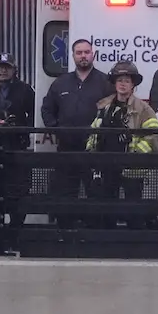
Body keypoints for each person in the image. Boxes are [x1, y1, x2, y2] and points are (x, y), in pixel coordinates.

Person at [87, 60, 158, 225]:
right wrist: (92, 152)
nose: (123, 84)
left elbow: (154, 137)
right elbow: (94, 131)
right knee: (107, 207)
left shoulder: (143, 109)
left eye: (127, 81)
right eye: (119, 80)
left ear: (133, 84)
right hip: (107, 165)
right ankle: (107, 243)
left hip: (131, 169)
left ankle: (133, 246)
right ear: (114, 83)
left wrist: (134, 155)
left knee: (132, 209)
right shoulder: (104, 107)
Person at [42, 37, 112, 203]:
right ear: (72, 56)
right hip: (67, 149)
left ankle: (92, 227)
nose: (83, 56)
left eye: (86, 52)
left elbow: (113, 112)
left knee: (95, 195)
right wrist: (56, 129)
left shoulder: (105, 83)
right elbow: (47, 109)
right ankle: (67, 226)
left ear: (93, 55)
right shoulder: (60, 83)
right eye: (79, 52)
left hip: (95, 150)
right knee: (65, 193)